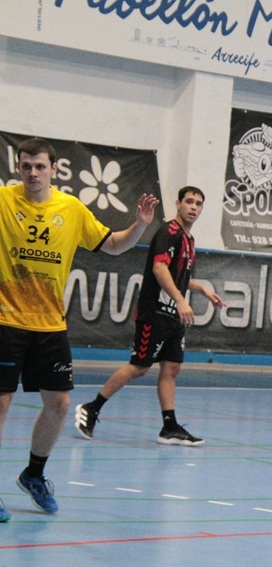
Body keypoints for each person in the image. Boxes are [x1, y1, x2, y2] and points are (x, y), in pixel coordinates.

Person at [0, 137, 159, 521]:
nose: (33, 172)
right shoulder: (3, 202)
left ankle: (34, 474)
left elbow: (116, 246)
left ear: (54, 170)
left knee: (59, 404)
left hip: (50, 324)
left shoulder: (70, 209)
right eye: (26, 166)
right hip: (5, 320)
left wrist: (138, 225)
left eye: (40, 166)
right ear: (17, 168)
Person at [75, 186, 224, 447]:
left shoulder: (189, 240)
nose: (193, 207)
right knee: (140, 367)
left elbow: (179, 278)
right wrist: (180, 300)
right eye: (189, 201)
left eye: (198, 204)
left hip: (173, 316)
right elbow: (159, 268)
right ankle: (91, 407)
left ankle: (169, 427)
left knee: (172, 367)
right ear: (178, 203)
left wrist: (201, 289)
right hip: (154, 312)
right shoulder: (168, 232)